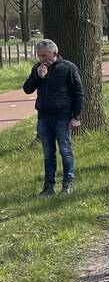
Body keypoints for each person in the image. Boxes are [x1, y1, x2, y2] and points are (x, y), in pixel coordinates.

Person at [22, 39, 84, 195]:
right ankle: (49, 186)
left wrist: (76, 116)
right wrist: (38, 77)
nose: (42, 59)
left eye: (44, 55)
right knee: (48, 153)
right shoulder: (38, 69)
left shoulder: (68, 68)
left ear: (54, 53)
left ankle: (67, 184)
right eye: (39, 56)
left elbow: (78, 93)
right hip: (44, 117)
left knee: (65, 150)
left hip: (63, 117)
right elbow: (27, 89)